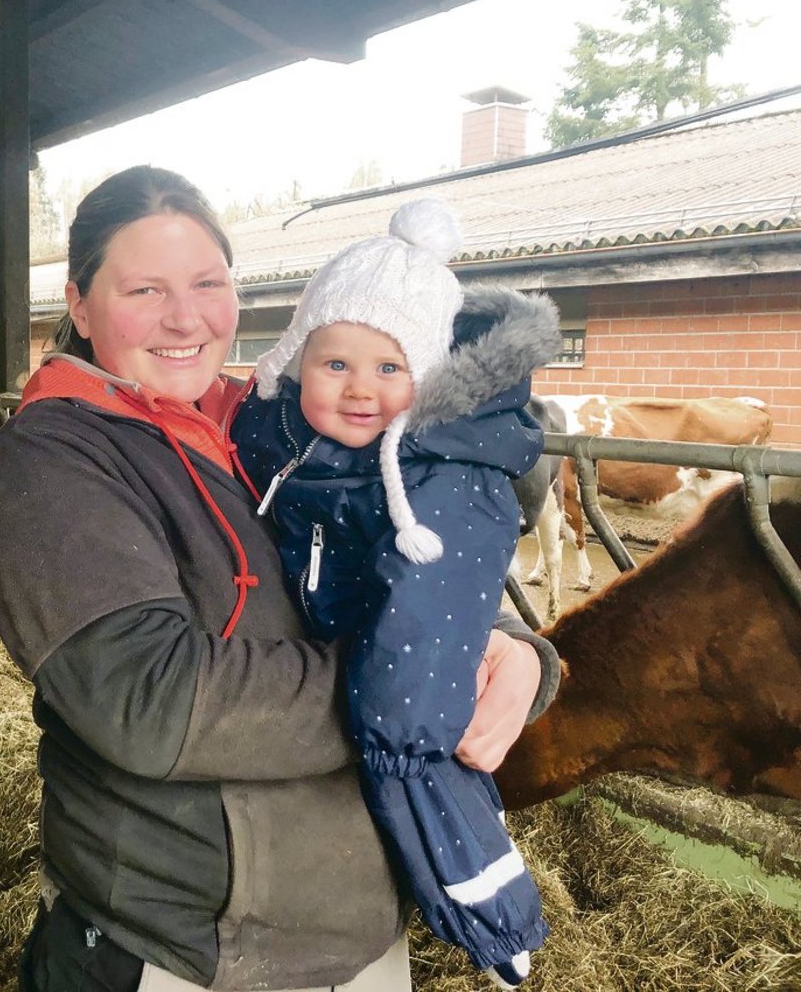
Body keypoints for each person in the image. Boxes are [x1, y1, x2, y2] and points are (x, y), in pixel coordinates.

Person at [0, 166, 560, 992]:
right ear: (79, 304)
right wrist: (421, 679)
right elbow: (150, 700)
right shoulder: (55, 459)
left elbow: (396, 572)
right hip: (185, 950)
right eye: (144, 288)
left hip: (359, 931)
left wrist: (510, 651)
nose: (184, 317)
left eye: (208, 282)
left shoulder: (280, 425)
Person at [230, 198, 561, 988]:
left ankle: (499, 926)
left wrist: (401, 730)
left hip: (401, 699)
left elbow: (430, 611)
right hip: (335, 696)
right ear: (293, 360)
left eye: (389, 368)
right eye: (334, 364)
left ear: (427, 379)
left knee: (434, 792)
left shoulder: (439, 477)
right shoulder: (280, 436)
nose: (358, 390)